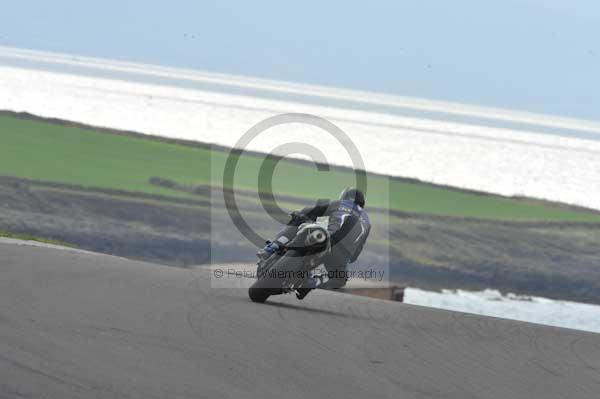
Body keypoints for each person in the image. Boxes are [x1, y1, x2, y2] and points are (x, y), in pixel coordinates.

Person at [258, 187, 371, 299]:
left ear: (344, 197)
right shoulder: (367, 222)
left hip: (325, 237)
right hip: (342, 255)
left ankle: (274, 246)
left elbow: (311, 210)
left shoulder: (340, 203)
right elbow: (356, 254)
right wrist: (346, 259)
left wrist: (298, 214)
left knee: (298, 221)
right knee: (341, 278)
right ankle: (314, 281)